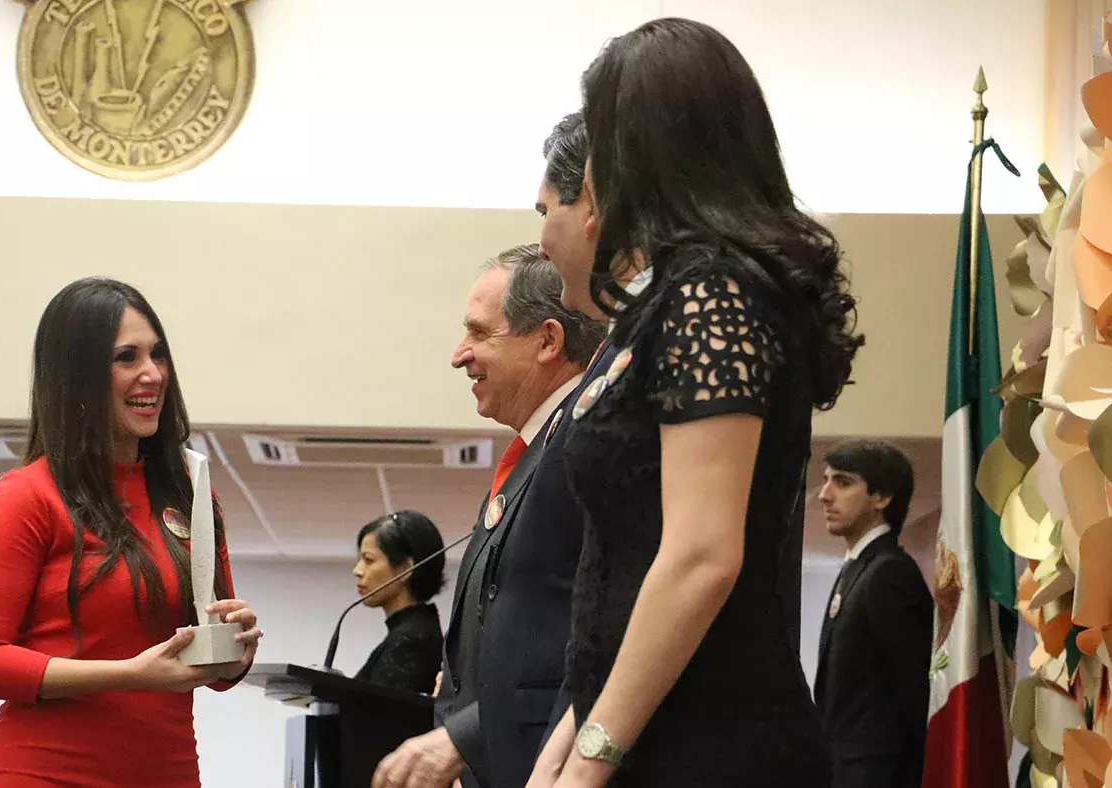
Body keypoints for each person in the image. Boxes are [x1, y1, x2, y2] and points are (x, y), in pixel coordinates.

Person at [527, 18, 862, 787]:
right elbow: (634, 559)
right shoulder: (673, 298)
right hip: (657, 727)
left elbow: (702, 557)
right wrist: (566, 747)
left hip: (711, 741)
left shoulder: (715, 291)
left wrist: (588, 763)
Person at [0, 277, 263, 788]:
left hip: (168, 773)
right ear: (78, 377)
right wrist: (131, 674)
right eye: (127, 358)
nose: (152, 374)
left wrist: (234, 650)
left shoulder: (189, 493)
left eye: (157, 354)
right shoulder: (30, 496)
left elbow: (211, 668)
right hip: (46, 774)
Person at [373, 239, 606, 788]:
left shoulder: (582, 444)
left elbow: (586, 636)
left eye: (479, 332)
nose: (459, 353)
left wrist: (465, 735)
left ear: (548, 340)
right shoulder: (538, 451)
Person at [814, 439, 932, 788]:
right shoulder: (858, 568)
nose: (824, 494)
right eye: (825, 479)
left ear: (882, 498)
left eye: (843, 482)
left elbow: (914, 692)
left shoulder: (890, 573)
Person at [352, 509, 447, 694]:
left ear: (405, 569)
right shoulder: (414, 631)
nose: (357, 570)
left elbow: (379, 718)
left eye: (368, 560)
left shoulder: (410, 641)